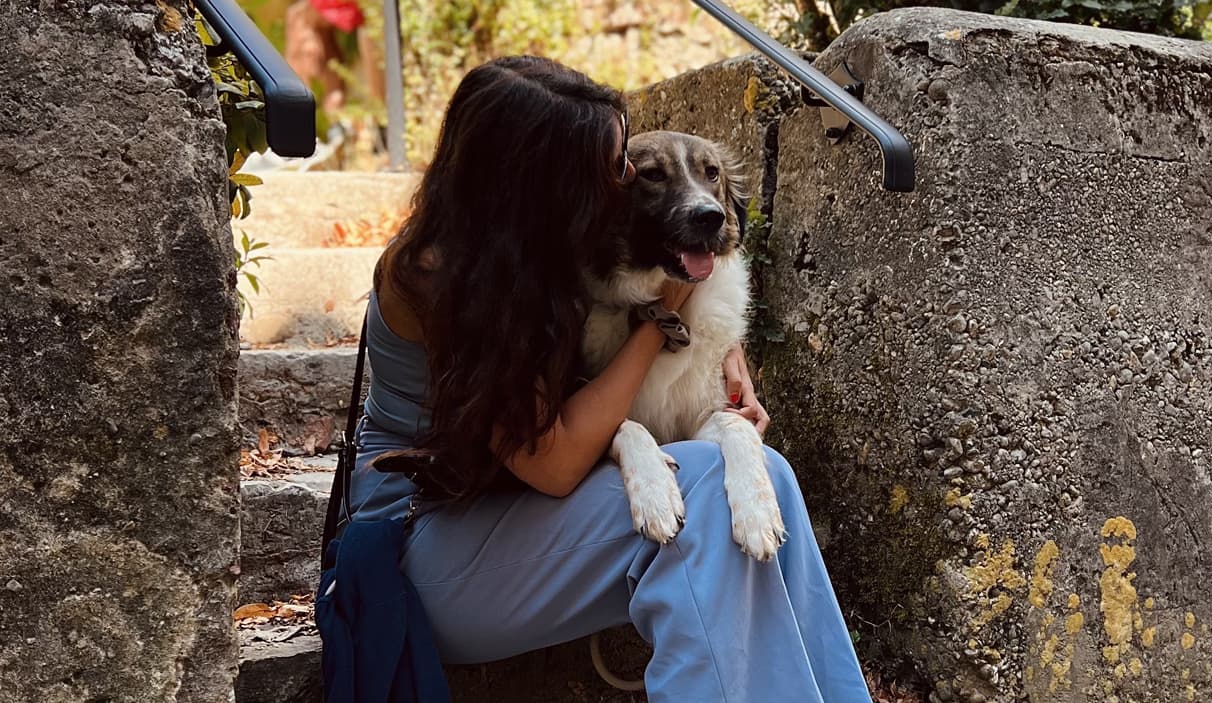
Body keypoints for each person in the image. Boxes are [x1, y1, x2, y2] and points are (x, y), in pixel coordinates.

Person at [342, 54, 873, 702]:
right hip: (420, 549)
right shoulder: (442, 276)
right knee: (707, 487)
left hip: (511, 514)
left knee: (770, 475)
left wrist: (717, 344)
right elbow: (556, 464)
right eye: (615, 166)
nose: (623, 181)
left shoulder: (529, 251)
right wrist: (663, 320)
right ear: (544, 179)